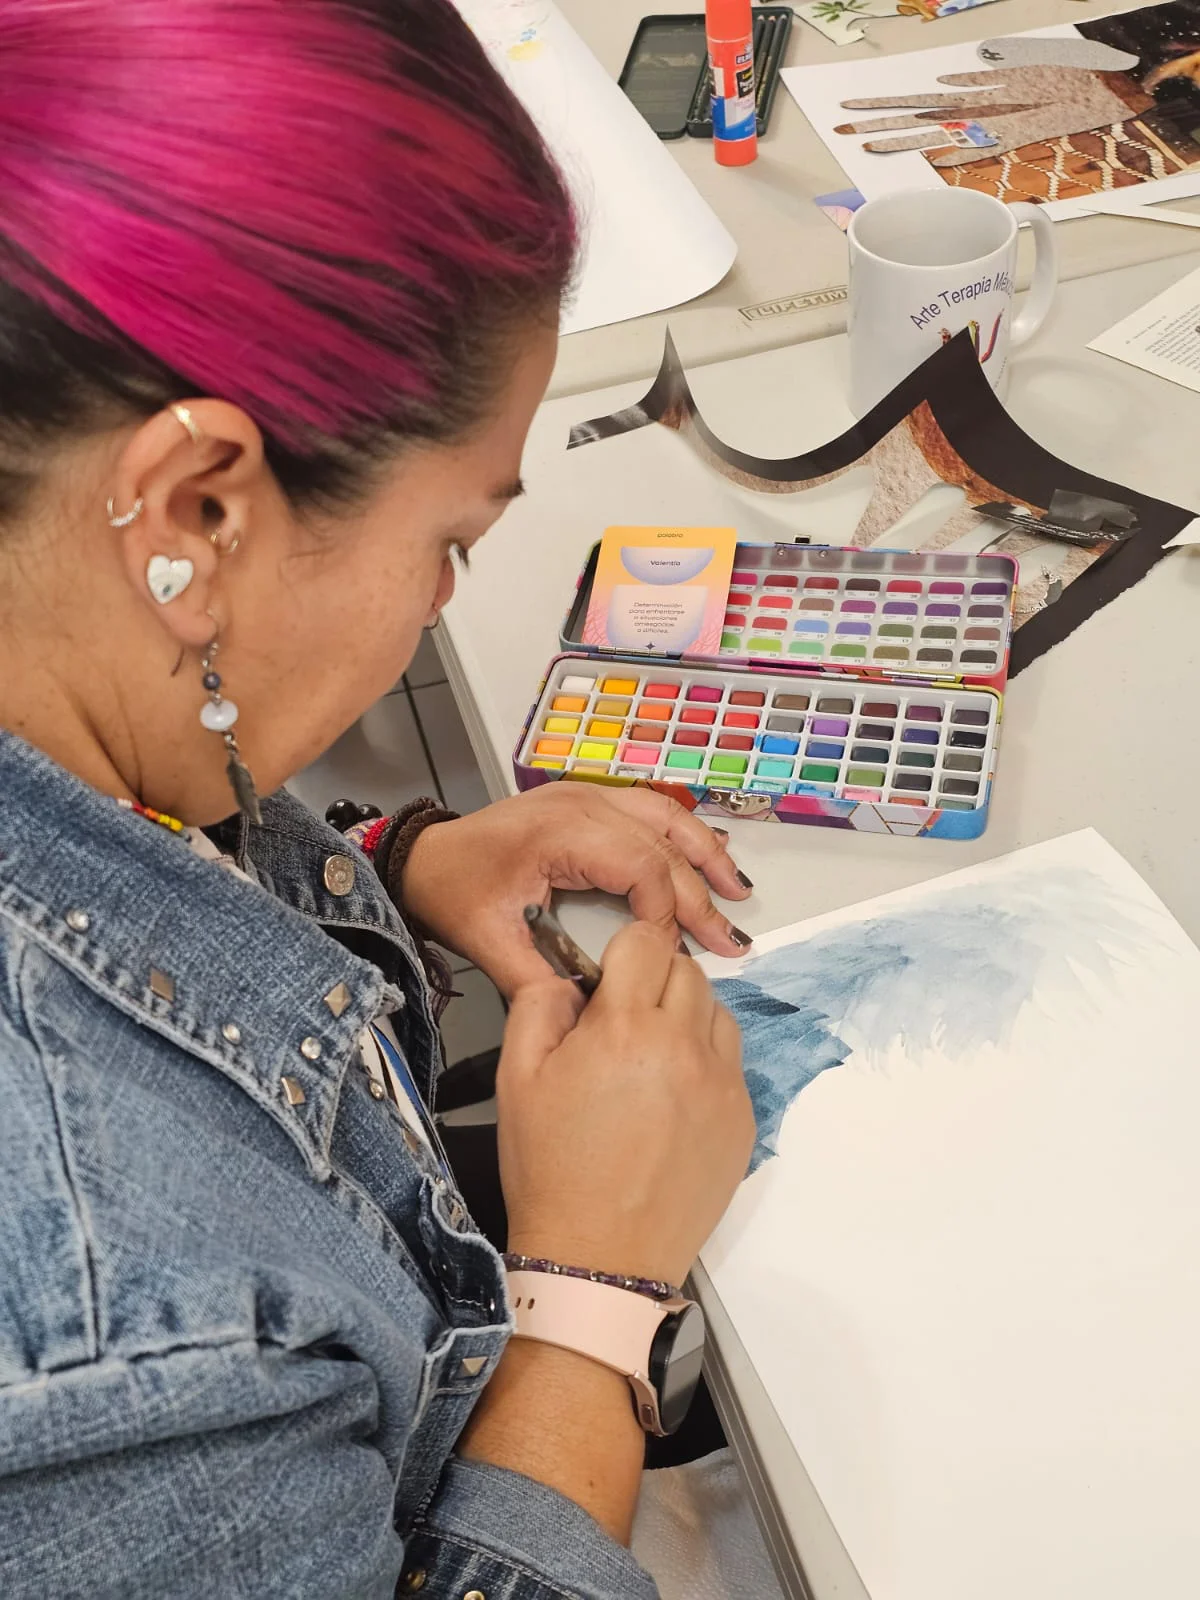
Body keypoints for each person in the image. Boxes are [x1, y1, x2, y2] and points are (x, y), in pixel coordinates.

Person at [0, 3, 757, 1595]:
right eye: (452, 544)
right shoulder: (108, 1344)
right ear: (196, 513)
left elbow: (117, 868)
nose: (445, 602)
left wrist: (394, 859)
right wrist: (592, 1291)